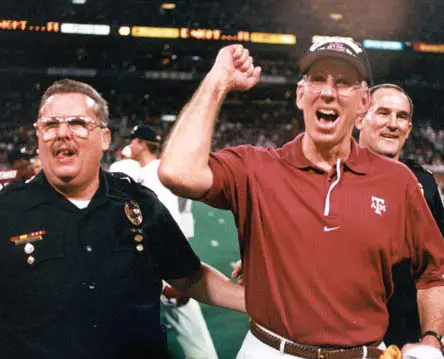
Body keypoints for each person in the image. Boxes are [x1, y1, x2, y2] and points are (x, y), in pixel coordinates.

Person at [158, 38, 444, 359]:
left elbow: (434, 272)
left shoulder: (397, 181)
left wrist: (432, 338)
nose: (328, 91)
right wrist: (217, 82)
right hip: (269, 350)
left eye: (344, 82)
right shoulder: (257, 167)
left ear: (363, 103)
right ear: (300, 95)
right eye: (318, 79)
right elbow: (177, 171)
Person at [0, 78, 245, 359]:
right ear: (38, 136)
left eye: (78, 123)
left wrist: (253, 301)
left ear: (105, 138)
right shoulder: (7, 210)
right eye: (50, 125)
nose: (62, 133)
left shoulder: (139, 202)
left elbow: (188, 276)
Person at [112, 124, 219, 359]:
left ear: (141, 144)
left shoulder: (155, 175)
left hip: (163, 268)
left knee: (193, 336)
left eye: (133, 140)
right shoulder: (153, 170)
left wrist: (177, 274)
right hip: (146, 266)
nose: (130, 144)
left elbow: (168, 226)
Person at [356, 83, 444, 348]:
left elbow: (438, 268)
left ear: (408, 129)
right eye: (383, 113)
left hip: (407, 339)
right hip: (344, 339)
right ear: (360, 118)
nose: (393, 123)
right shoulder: (331, 177)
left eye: (401, 116)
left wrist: (432, 339)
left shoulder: (425, 185)